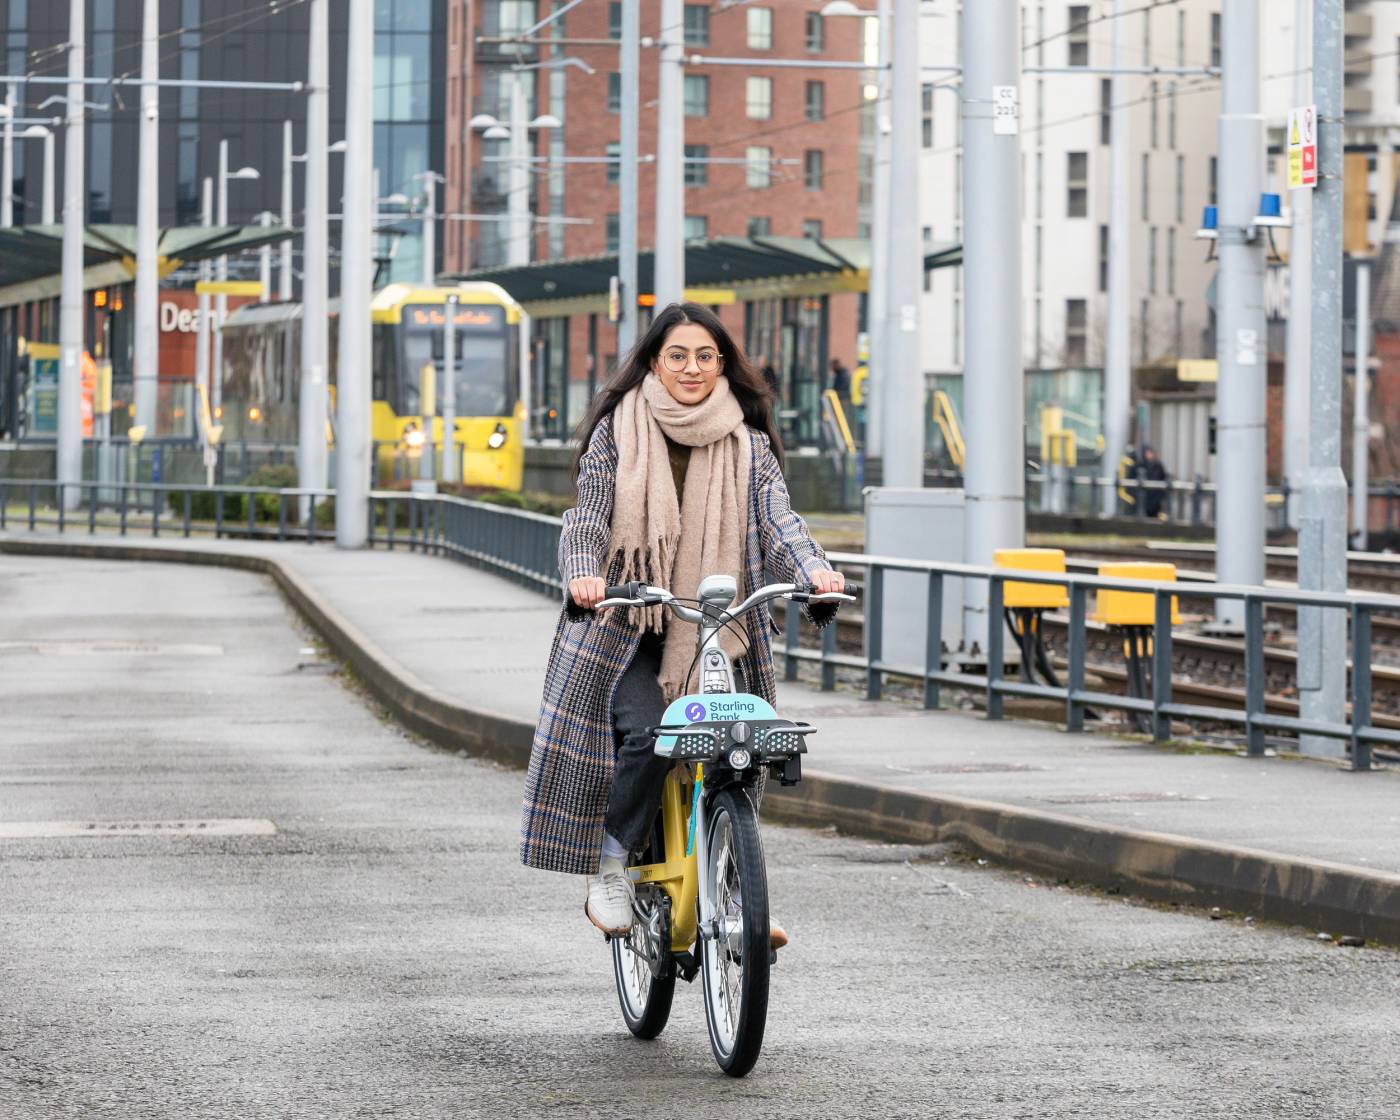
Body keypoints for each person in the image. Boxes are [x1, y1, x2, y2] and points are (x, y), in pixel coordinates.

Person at [519, 302, 845, 946]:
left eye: (705, 356)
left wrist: (815, 571)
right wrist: (586, 572)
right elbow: (588, 514)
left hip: (718, 627)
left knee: (738, 747)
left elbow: (780, 524)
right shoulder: (620, 431)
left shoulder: (747, 444)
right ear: (654, 363)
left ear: (722, 364)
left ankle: (736, 890)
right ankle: (612, 866)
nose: (692, 368)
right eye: (677, 356)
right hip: (628, 627)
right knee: (646, 735)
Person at [1139, 445, 1169, 519]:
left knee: (1155, 515)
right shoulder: (1142, 465)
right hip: (1147, 496)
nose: (1148, 455)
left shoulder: (1158, 465)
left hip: (1156, 495)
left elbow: (1163, 478)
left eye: (1149, 453)